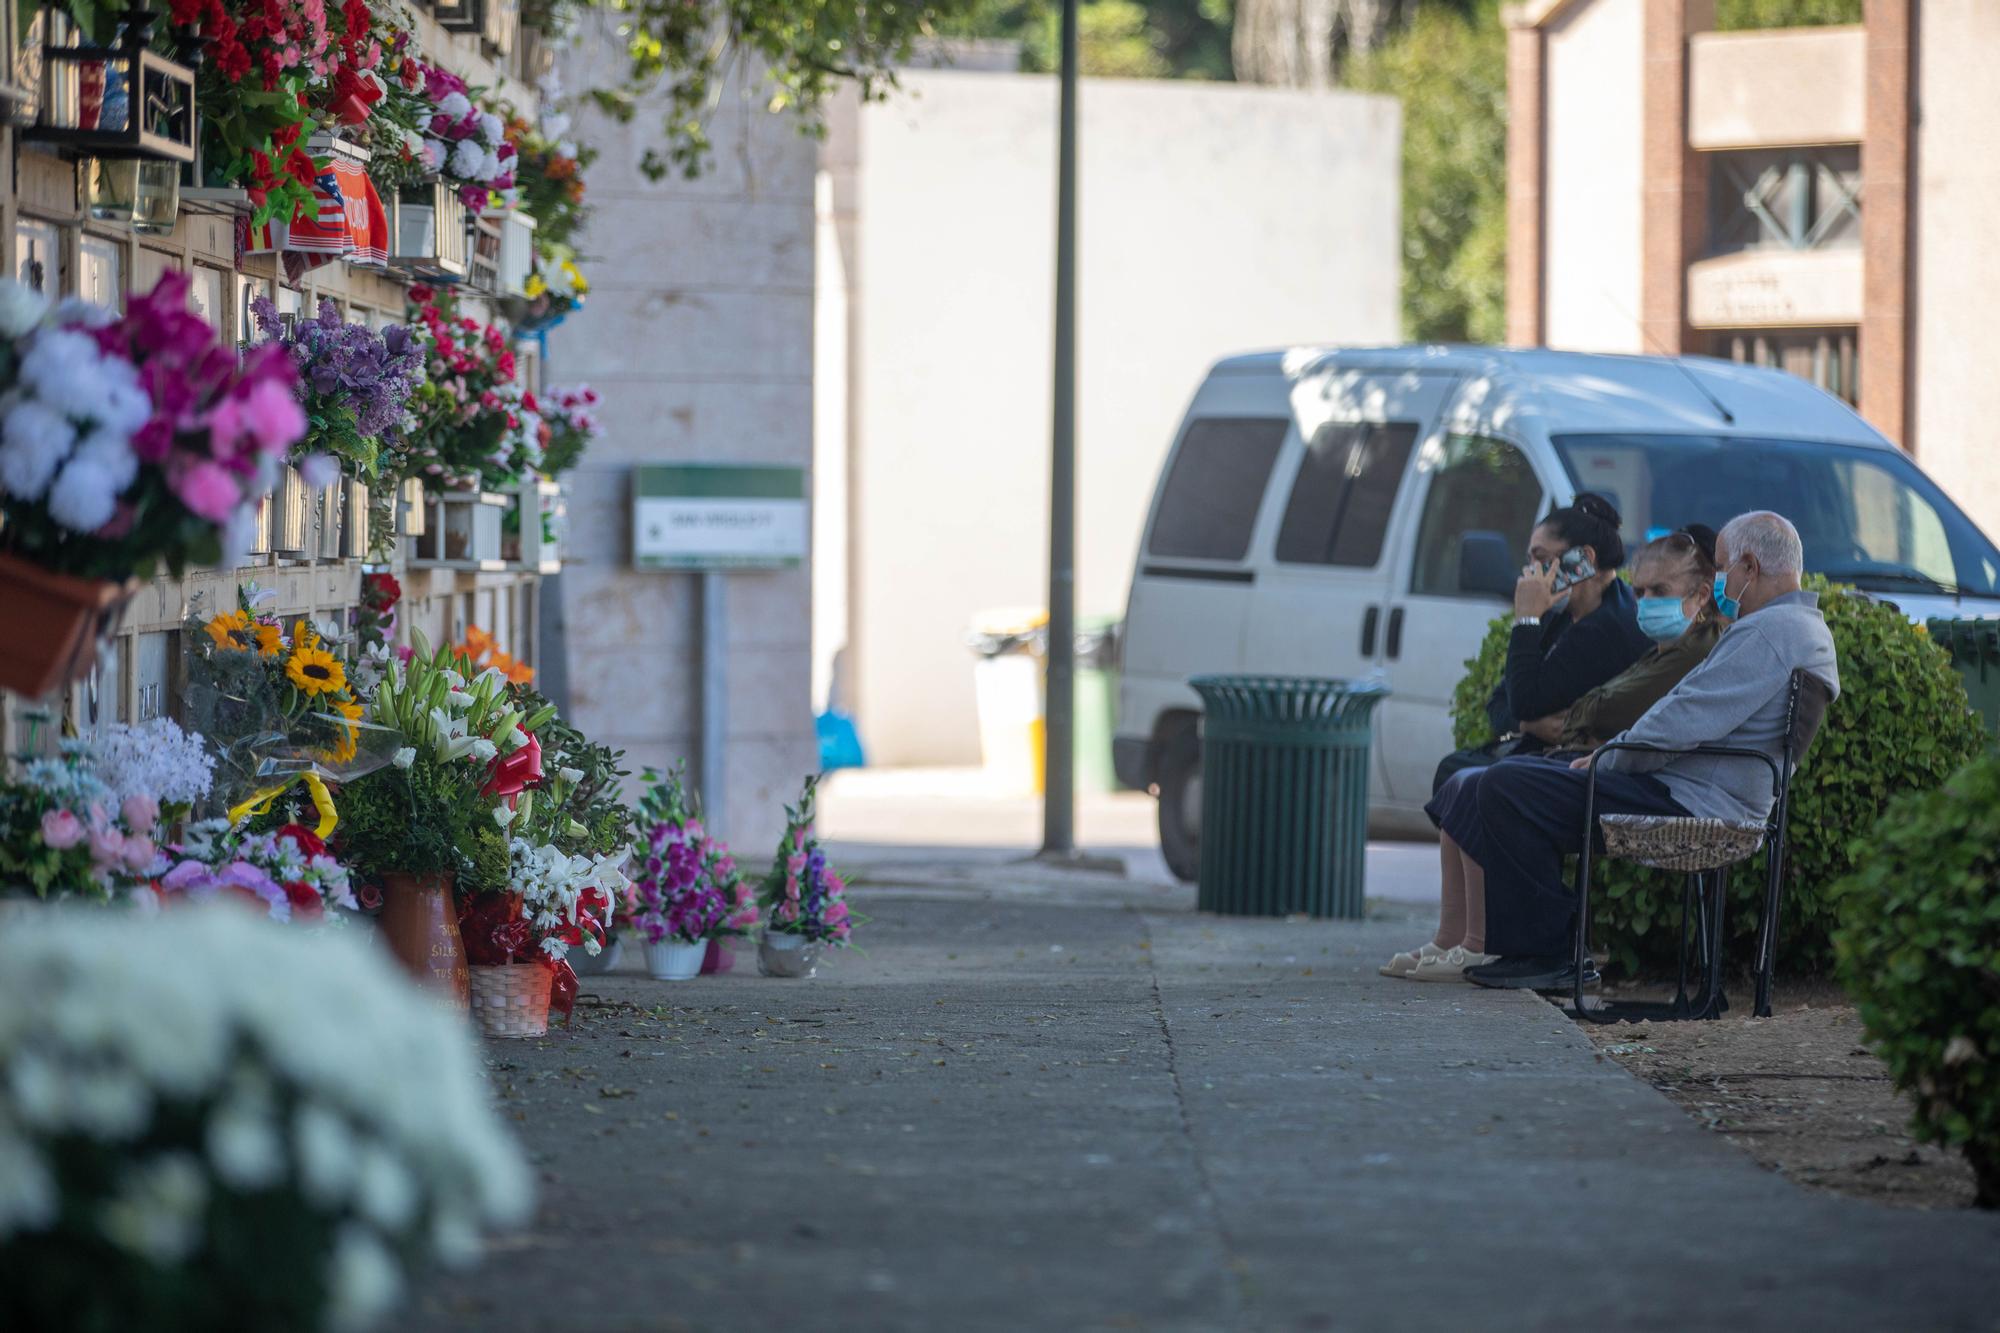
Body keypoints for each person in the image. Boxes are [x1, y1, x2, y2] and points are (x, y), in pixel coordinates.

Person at [1456, 511, 1840, 993]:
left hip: (1694, 801)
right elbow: (1687, 713)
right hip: (1694, 790)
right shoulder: (1791, 628)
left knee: (1508, 785)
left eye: (1721, 568)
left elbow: (1685, 718)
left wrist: (1605, 759)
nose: (1719, 580)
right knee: (1527, 774)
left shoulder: (1771, 631)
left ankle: (1549, 955)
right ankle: (1550, 951)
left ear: (1749, 567)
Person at [1383, 527, 1726, 981]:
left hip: (1653, 784)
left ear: (1701, 594)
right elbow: (1514, 703)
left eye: (1659, 591)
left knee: (1501, 783)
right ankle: (1463, 940)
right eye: (1641, 590)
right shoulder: (1656, 646)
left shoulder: (1688, 646)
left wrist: (1530, 624)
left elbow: (1598, 705)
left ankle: (1531, 951)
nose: (1645, 602)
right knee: (1468, 780)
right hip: (1618, 768)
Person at [1431, 493, 1652, 794]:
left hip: (1579, 771)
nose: (1531, 573)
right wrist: (1527, 725)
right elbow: (1499, 701)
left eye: (1542, 559)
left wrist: (1526, 619)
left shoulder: (1610, 624)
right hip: (1535, 752)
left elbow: (1523, 700)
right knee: (1453, 771)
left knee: (1468, 783)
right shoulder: (1561, 611)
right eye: (1530, 561)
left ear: (1584, 559)